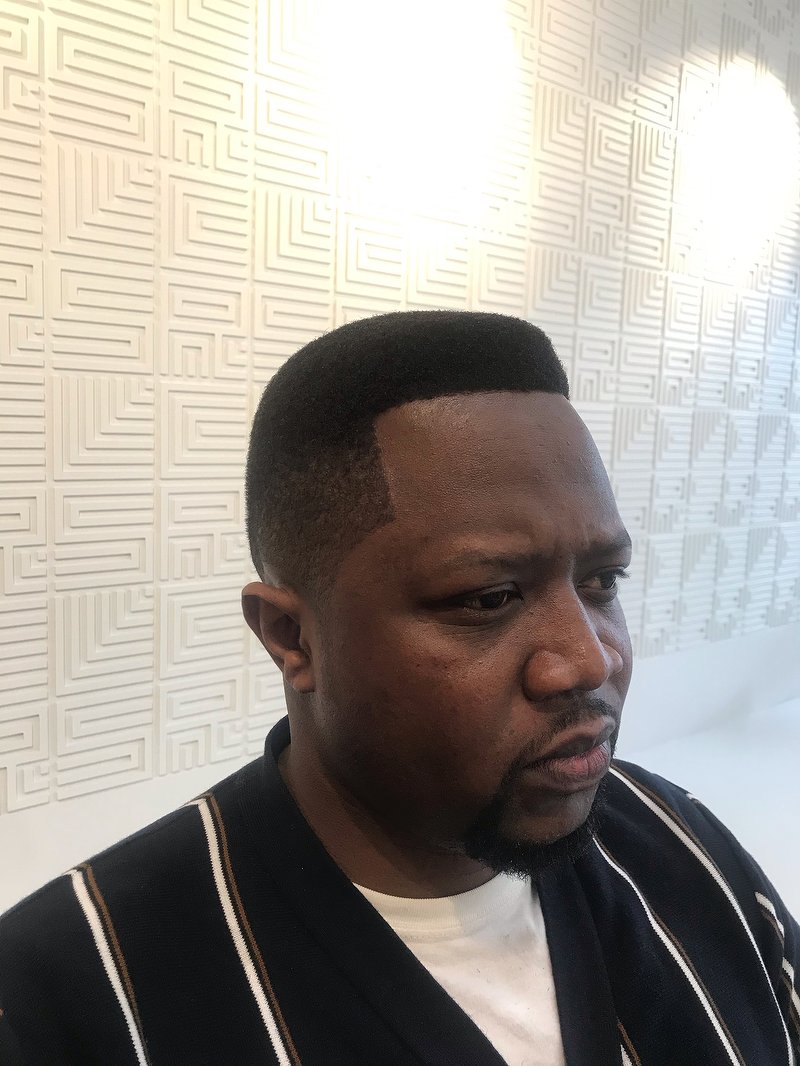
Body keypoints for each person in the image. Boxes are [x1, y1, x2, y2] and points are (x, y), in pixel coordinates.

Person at [0, 311, 797, 1066]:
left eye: (602, 581)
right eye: (489, 598)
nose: (590, 663)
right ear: (292, 637)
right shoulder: (69, 998)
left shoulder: (685, 850)